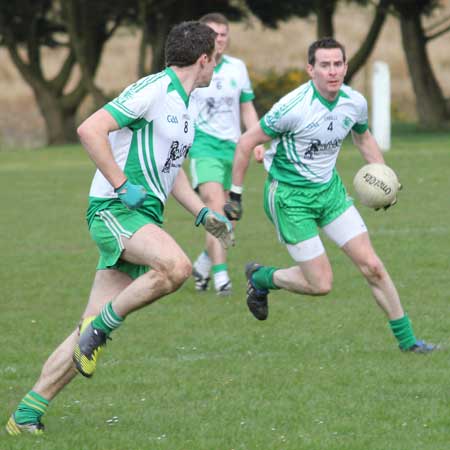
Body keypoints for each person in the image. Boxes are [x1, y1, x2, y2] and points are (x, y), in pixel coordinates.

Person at [6, 21, 234, 436]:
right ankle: (100, 330)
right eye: (214, 59)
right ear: (203, 59)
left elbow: (172, 172)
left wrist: (203, 215)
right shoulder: (152, 91)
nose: (215, 67)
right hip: (114, 211)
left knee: (86, 328)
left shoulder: (185, 106)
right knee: (177, 267)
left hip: (142, 219)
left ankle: (26, 412)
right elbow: (89, 129)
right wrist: (121, 183)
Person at [224, 37, 437, 354]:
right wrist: (235, 195)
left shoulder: (354, 102)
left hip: (330, 193)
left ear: (346, 67)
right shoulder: (292, 108)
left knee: (373, 266)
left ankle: (409, 343)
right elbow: (246, 143)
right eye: (324, 65)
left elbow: (363, 139)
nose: (332, 71)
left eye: (338, 64)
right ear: (311, 69)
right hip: (290, 199)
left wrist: (385, 178)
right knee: (321, 284)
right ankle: (262, 278)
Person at [189, 12, 264, 296]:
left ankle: (203, 264)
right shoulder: (192, 67)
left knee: (229, 217)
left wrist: (256, 137)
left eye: (223, 34)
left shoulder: (237, 68)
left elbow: (246, 106)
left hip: (234, 149)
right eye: (213, 34)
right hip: (202, 146)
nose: (219, 40)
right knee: (215, 208)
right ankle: (222, 280)